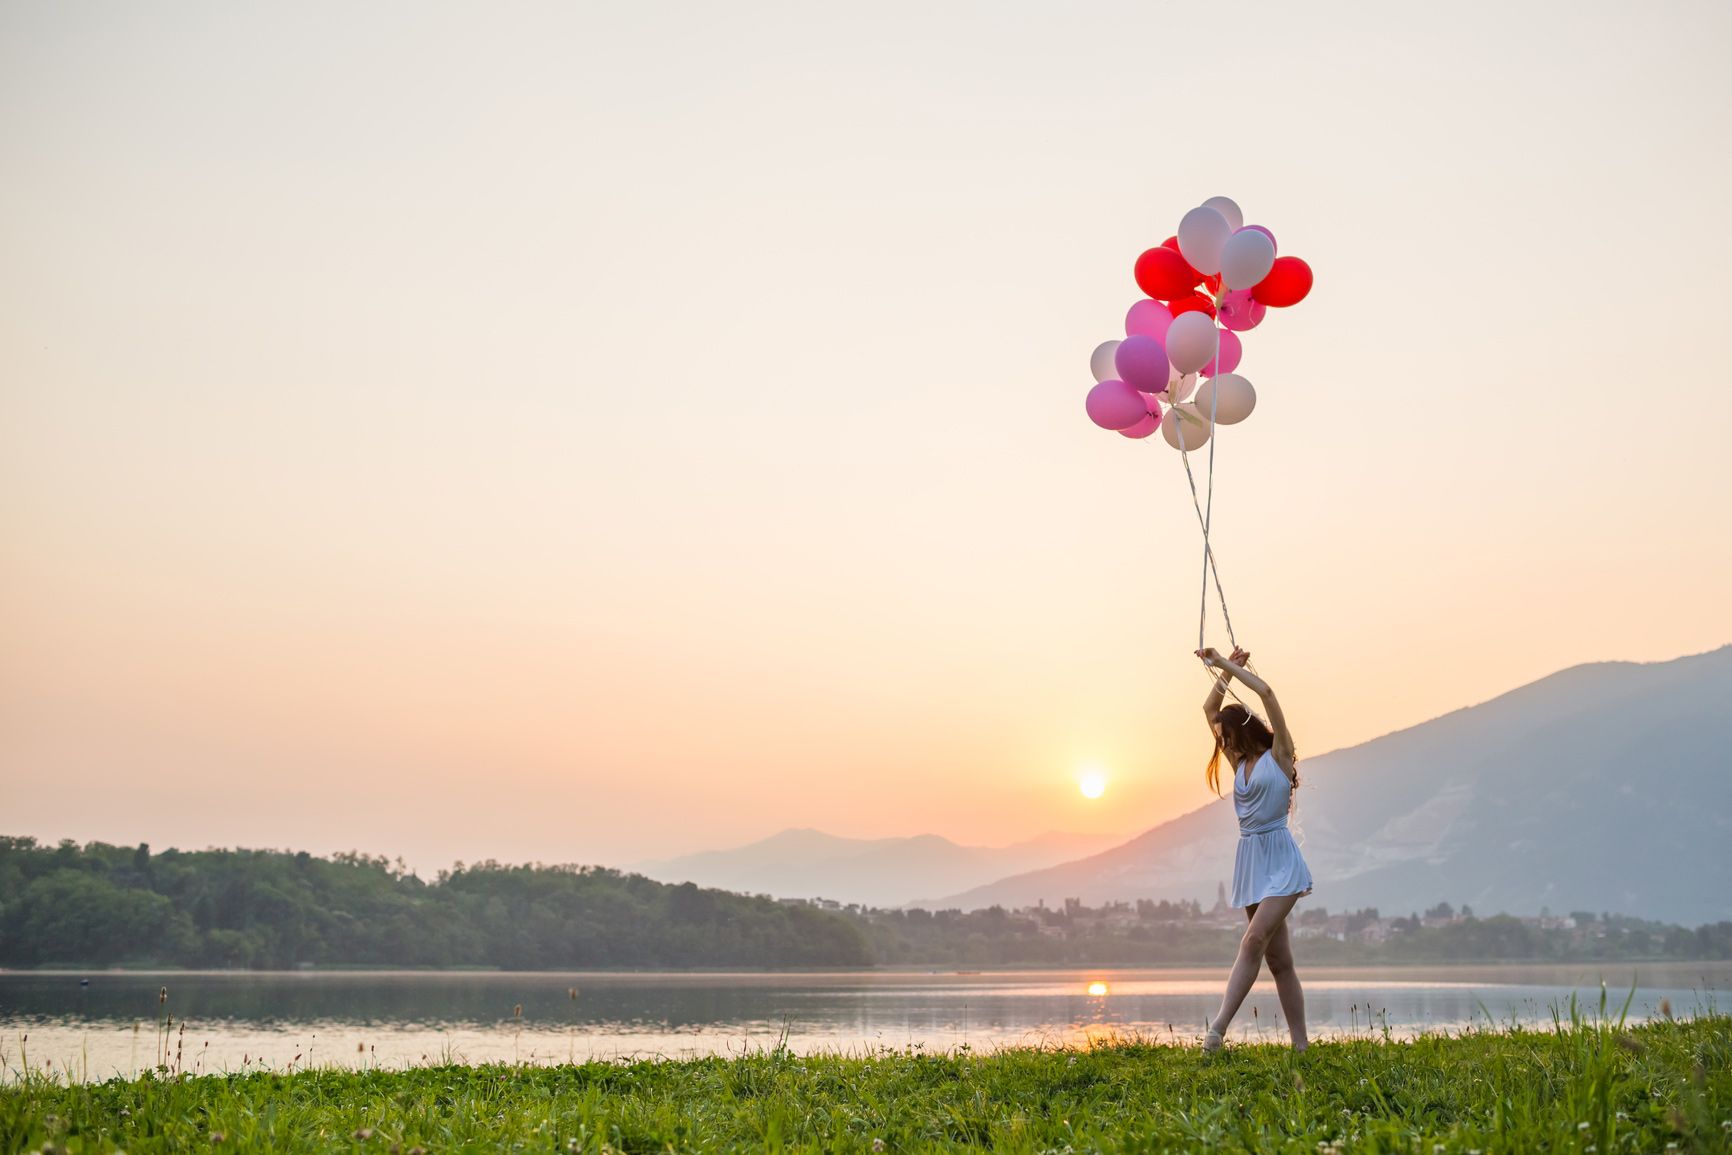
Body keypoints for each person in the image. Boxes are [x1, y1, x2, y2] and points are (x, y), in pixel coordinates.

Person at [1195, 645, 1312, 1052]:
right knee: (1279, 961)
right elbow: (1209, 708)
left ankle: (1217, 1031)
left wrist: (1225, 665)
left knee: (1252, 941)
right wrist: (1223, 671)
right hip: (1250, 860)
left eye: (1226, 735)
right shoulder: (1237, 760)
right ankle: (1301, 1046)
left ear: (1242, 730)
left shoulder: (1279, 754)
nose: (1221, 742)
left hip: (1280, 860)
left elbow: (1266, 693)